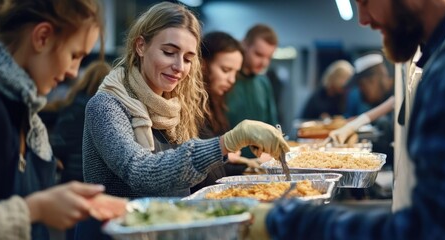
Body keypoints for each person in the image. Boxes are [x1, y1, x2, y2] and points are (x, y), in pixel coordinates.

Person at [248, 0, 445, 239]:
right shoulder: (444, 60)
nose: (362, 19)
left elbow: (426, 232)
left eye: (364, 1)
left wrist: (290, 220)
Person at [77, 2, 289, 239]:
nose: (179, 67)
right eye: (169, 52)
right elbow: (140, 172)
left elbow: (182, 180)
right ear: (141, 46)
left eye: (188, 58)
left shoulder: (176, 107)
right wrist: (225, 143)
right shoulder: (106, 105)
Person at [0, 0, 125, 239]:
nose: (73, 71)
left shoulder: (27, 115)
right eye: (74, 55)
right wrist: (37, 209)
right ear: (42, 37)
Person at [191, 31, 248, 192]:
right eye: (225, 70)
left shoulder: (216, 103)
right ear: (203, 65)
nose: (232, 79)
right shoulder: (192, 109)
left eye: (235, 73)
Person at [49, 60, 112, 184]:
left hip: (72, 178)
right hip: (101, 181)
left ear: (85, 79)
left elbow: (58, 144)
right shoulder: (111, 112)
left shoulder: (72, 107)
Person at [225, 24, 279, 160]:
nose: (264, 63)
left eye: (269, 57)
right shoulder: (226, 80)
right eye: (259, 54)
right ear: (244, 45)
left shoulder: (263, 83)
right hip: (228, 163)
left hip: (260, 164)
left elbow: (272, 126)